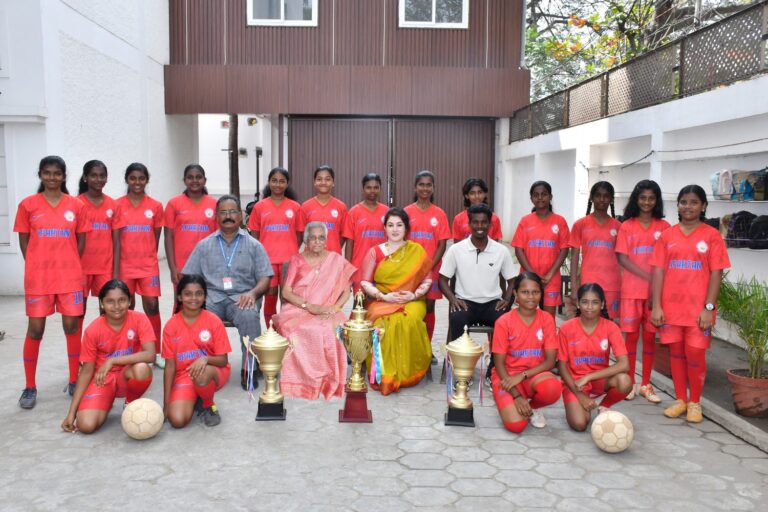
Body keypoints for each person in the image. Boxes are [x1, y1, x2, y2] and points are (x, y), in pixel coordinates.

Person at [14, 156, 90, 409]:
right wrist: (37, 263)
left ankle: (73, 379)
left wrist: (68, 262)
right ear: (40, 175)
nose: (52, 178)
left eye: (57, 173)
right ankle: (29, 387)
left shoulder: (76, 205)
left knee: (71, 327)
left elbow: (80, 241)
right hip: (39, 279)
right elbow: (25, 241)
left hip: (69, 277)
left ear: (64, 176)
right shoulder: (28, 205)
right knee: (35, 330)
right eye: (47, 173)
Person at [651, 184, 730, 423]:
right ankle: (680, 400)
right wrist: (657, 306)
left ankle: (695, 402)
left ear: (703, 206)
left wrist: (708, 309)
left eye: (694, 202)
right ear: (678, 205)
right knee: (675, 355)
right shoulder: (668, 235)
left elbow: (716, 275)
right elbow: (658, 272)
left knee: (695, 356)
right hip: (671, 310)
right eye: (684, 202)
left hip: (698, 312)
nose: (688, 206)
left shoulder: (711, 236)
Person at [183, 195, 273, 391]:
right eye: (223, 212)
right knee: (196, 315)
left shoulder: (254, 245)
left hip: (242, 298)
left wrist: (253, 293)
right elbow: (189, 276)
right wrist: (197, 298)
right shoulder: (204, 245)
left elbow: (265, 278)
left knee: (249, 314)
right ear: (216, 217)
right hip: (212, 298)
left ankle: (248, 368)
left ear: (240, 216)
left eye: (232, 212)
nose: (228, 216)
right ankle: (199, 366)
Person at [273, 222, 355, 400]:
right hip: (299, 308)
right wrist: (309, 306)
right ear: (306, 241)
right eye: (312, 238)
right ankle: (301, 381)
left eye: (321, 237)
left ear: (326, 240)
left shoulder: (336, 259)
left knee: (330, 329)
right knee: (295, 330)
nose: (317, 241)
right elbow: (286, 292)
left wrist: (334, 308)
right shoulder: (297, 260)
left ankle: (328, 380)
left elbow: (347, 291)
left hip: (328, 309)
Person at [61, 280, 155, 434]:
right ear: (102, 303)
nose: (117, 306)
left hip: (127, 374)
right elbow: (86, 371)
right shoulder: (93, 329)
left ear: (130, 301)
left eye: (122, 300)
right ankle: (106, 400)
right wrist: (71, 413)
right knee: (86, 425)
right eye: (110, 301)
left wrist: (112, 360)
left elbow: (150, 354)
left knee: (142, 369)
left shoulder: (139, 319)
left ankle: (129, 404)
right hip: (102, 378)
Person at [360, 208, 433, 395]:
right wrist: (383, 296)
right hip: (382, 300)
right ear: (384, 228)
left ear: (406, 228)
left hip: (412, 300)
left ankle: (408, 372)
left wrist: (414, 295)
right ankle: (385, 374)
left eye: (399, 225)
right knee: (382, 323)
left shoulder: (416, 250)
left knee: (408, 320)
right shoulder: (374, 252)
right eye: (390, 225)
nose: (394, 229)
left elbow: (427, 280)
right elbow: (365, 282)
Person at [615, 179, 670, 403]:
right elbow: (622, 258)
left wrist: (655, 285)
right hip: (631, 291)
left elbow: (667, 262)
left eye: (651, 198)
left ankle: (646, 384)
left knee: (649, 338)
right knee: (630, 339)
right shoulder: (627, 226)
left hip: (655, 295)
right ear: (635, 200)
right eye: (642, 198)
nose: (646, 202)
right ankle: (629, 382)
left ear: (656, 201)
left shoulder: (665, 228)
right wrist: (648, 277)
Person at [491, 272, 560, 433]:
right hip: (506, 377)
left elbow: (550, 362)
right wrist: (516, 395)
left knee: (552, 388)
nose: (531, 297)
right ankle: (517, 402)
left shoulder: (547, 319)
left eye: (535, 292)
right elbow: (499, 364)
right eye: (525, 292)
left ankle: (533, 406)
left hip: (534, 375)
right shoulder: (503, 322)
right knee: (516, 425)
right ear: (515, 293)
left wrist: (521, 376)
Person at [558, 283, 633, 432]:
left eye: (595, 302)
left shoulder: (611, 327)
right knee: (580, 424)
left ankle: (603, 406)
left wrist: (589, 377)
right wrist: (580, 395)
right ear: (578, 304)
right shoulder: (566, 328)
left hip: (599, 381)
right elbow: (561, 366)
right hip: (575, 383)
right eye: (585, 302)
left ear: (602, 304)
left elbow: (624, 365)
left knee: (624, 381)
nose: (589, 307)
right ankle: (581, 403)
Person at [112, 163, 164, 367]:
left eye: (141, 178)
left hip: (148, 265)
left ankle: (156, 352)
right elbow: (115, 240)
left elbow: (155, 236)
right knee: (127, 307)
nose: (137, 182)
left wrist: (148, 256)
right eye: (133, 178)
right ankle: (131, 351)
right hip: (125, 266)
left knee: (152, 305)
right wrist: (115, 271)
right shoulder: (117, 205)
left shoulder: (156, 206)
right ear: (127, 179)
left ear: (147, 180)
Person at [439, 204, 515, 342]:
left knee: (504, 320)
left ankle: (495, 362)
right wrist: (453, 299)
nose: (480, 226)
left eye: (484, 222)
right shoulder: (456, 250)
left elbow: (512, 280)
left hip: (492, 303)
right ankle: (459, 362)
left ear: (490, 224)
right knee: (457, 318)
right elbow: (442, 279)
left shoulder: (501, 251)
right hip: (466, 303)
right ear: (469, 224)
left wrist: (507, 301)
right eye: (475, 222)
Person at [163, 275, 231, 428]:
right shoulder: (171, 326)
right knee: (177, 420)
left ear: (205, 297)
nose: (193, 298)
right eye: (188, 294)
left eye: (199, 293)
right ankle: (197, 397)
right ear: (179, 297)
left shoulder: (213, 321)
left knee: (201, 374)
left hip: (212, 371)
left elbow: (223, 360)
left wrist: (205, 359)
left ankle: (208, 405)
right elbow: (170, 366)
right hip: (184, 375)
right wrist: (166, 404)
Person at [247, 167, 302, 327]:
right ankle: (272, 332)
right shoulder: (259, 207)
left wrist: (291, 251)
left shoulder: (295, 207)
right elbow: (255, 236)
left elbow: (299, 235)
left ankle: (286, 331)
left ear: (287, 184)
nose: (278, 184)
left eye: (282, 181)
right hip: (267, 261)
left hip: (288, 262)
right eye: (274, 180)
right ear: (269, 182)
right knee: (269, 298)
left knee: (287, 298)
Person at [404, 170, 451, 348]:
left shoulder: (439, 214)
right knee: (411, 307)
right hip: (411, 270)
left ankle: (426, 347)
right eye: (421, 184)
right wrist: (412, 266)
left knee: (429, 308)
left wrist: (428, 266)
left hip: (431, 270)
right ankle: (411, 346)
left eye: (428, 185)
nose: (425, 188)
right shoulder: (407, 212)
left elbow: (442, 244)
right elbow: (402, 241)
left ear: (433, 187)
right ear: (415, 187)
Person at [512, 181, 570, 318]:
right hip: (528, 277)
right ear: (531, 198)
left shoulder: (560, 221)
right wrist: (532, 274)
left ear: (550, 197)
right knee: (526, 316)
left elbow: (564, 249)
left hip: (551, 278)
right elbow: (519, 249)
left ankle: (547, 340)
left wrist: (550, 274)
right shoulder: (525, 221)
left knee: (548, 319)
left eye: (544, 194)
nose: (540, 198)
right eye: (536, 195)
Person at [569, 181, 622, 319]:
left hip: (612, 285)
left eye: (606, 196)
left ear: (611, 199)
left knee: (608, 326)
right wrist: (574, 288)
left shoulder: (619, 227)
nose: (602, 199)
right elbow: (574, 257)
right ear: (591, 198)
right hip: (589, 283)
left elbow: (624, 260)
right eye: (598, 195)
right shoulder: (580, 224)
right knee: (587, 323)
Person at [163, 164, 218, 286]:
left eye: (198, 177)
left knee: (207, 302)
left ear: (205, 180)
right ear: (184, 180)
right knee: (182, 301)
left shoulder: (214, 204)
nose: (194, 180)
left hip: (208, 265)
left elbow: (219, 238)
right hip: (182, 266)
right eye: (190, 177)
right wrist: (173, 268)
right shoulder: (173, 203)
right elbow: (168, 237)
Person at [77, 160, 116, 317]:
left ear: (106, 178)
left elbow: (117, 239)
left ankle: (106, 341)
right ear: (85, 178)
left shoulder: (113, 205)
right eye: (93, 175)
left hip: (105, 266)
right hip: (81, 266)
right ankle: (77, 342)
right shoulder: (76, 203)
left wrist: (116, 268)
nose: (98, 179)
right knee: (79, 310)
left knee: (107, 310)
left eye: (102, 176)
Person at [343, 173, 388, 291]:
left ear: (380, 189)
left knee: (379, 306)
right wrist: (348, 270)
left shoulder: (387, 212)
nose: (372, 191)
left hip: (382, 267)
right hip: (360, 268)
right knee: (359, 305)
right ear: (363, 189)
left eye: (376, 187)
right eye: (368, 187)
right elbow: (349, 243)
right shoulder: (354, 212)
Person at [298, 165, 348, 254]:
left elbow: (343, 236)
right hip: (311, 258)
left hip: (333, 258)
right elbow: (303, 234)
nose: (323, 182)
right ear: (314, 182)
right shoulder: (305, 206)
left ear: (333, 183)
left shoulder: (341, 207)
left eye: (327, 179)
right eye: (319, 179)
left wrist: (333, 248)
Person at [452, 177, 503, 242]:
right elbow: (457, 246)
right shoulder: (458, 219)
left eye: (480, 192)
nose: (477, 196)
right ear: (466, 196)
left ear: (485, 194)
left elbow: (495, 246)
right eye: (472, 193)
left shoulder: (494, 218)